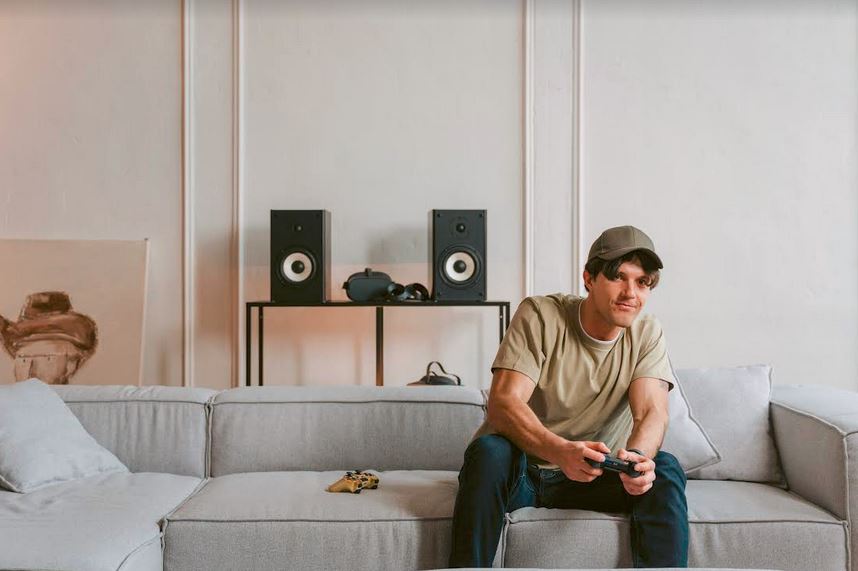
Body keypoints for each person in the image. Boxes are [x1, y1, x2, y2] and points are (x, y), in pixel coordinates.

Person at [448, 225, 688, 568]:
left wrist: (637, 460)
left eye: (642, 282)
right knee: (489, 451)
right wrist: (560, 451)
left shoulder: (646, 333)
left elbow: (651, 411)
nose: (630, 293)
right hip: (525, 473)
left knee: (663, 468)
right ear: (589, 278)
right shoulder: (541, 315)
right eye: (618, 277)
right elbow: (504, 403)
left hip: (599, 475)